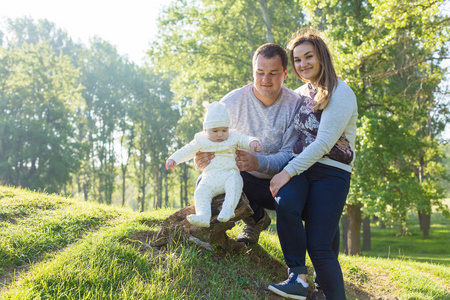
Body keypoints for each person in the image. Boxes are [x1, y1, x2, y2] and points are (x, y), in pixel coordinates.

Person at [267, 29, 358, 300]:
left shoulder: (340, 91)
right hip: (303, 167)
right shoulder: (300, 93)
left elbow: (323, 144)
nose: (303, 64)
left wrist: (285, 172)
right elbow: (289, 134)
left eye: (309, 56)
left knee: (320, 245)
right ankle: (297, 276)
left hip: (332, 172)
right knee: (286, 204)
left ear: (321, 57)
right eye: (297, 59)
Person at [194, 43, 300, 243]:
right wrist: (201, 160)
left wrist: (257, 162)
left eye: (273, 73)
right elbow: (206, 143)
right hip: (243, 178)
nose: (265, 80)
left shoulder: (296, 105)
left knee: (300, 198)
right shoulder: (230, 103)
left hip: (283, 182)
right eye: (259, 73)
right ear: (253, 71)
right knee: (204, 182)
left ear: (285, 74)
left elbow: (290, 155)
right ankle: (255, 220)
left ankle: (299, 264)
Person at [166, 101, 262, 227]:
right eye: (215, 131)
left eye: (224, 130)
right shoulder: (201, 140)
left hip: (229, 173)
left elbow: (245, 139)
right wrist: (174, 159)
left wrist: (253, 142)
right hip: (210, 177)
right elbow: (187, 150)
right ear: (205, 130)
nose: (220, 134)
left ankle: (228, 210)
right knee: (201, 191)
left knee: (235, 182)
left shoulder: (232, 137)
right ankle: (203, 216)